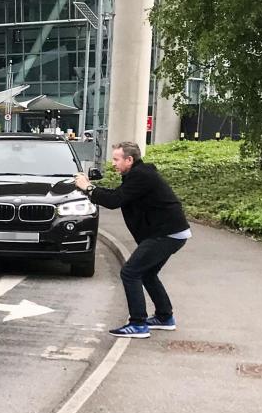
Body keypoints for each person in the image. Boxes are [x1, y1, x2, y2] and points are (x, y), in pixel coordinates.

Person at [74, 141, 190, 339]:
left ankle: (138, 324)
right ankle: (164, 317)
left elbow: (114, 201)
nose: (113, 164)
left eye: (117, 159)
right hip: (171, 232)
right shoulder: (136, 175)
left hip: (165, 234)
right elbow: (119, 195)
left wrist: (88, 187)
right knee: (147, 273)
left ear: (130, 159)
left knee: (130, 273)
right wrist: (91, 190)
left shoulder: (141, 175)